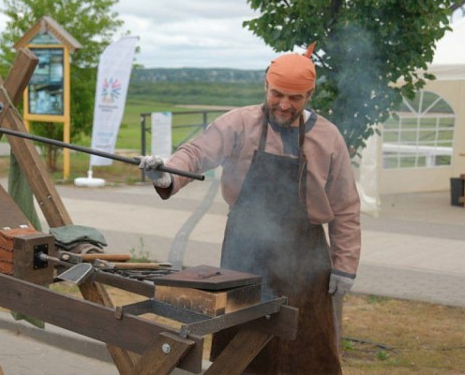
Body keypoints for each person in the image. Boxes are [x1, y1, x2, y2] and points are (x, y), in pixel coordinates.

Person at [139, 46, 360, 374]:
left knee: (307, 351)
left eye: (295, 98)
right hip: (246, 252)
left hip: (305, 259)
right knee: (243, 347)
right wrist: (167, 172)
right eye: (278, 94)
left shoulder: (328, 137)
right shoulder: (239, 123)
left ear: (310, 95)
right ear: (265, 87)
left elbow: (345, 207)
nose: (284, 105)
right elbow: (196, 153)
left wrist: (344, 265)